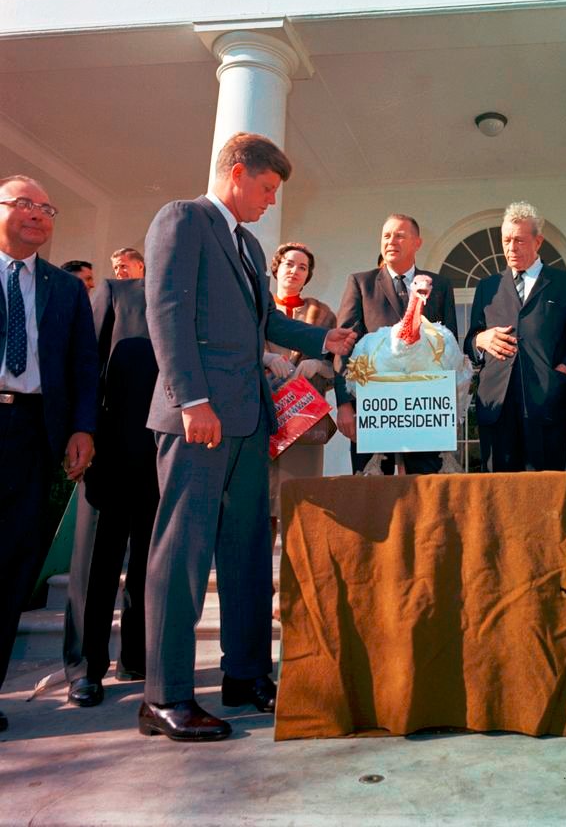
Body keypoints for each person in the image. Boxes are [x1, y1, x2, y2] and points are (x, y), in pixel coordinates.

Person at [140, 133, 356, 742]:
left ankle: (245, 674)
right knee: (181, 552)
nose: (268, 202)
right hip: (199, 419)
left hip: (246, 420)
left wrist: (324, 341)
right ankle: (164, 696)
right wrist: (193, 400)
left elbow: (263, 320)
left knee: (246, 554)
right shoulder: (183, 219)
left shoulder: (246, 243)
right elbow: (167, 311)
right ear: (237, 173)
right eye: (265, 189)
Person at [0, 176, 98, 734]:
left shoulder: (63, 289)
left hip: (36, 433)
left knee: (14, 567)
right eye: (24, 204)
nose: (38, 214)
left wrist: (83, 428)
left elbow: (84, 364)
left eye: (47, 208)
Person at [63, 275, 159, 706]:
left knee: (148, 566)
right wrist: (81, 433)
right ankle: (86, 667)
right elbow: (86, 367)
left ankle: (135, 657)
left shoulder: (195, 303)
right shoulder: (117, 293)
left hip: (165, 459)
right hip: (108, 456)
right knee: (96, 565)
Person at [465, 201, 566, 472]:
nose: (511, 247)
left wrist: (562, 373)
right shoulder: (487, 287)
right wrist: (480, 341)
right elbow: (470, 341)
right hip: (496, 404)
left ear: (538, 241)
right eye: (506, 240)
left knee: (545, 492)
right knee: (498, 494)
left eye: (519, 240)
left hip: (546, 403)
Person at [335, 214, 457, 475]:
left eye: (400, 235)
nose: (391, 241)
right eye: (386, 236)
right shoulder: (361, 283)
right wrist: (344, 403)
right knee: (372, 492)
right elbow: (343, 346)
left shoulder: (440, 286)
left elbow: (450, 348)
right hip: (374, 409)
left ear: (417, 243)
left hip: (425, 411)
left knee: (427, 487)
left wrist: (451, 406)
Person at [265, 242, 337, 538]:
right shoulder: (257, 307)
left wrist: (319, 367)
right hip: (264, 419)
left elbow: (338, 366)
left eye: (302, 267)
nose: (295, 271)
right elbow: (238, 350)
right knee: (260, 509)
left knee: (302, 507)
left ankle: (300, 583)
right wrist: (265, 358)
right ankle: (258, 585)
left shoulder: (322, 314)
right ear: (277, 268)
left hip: (302, 422)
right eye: (289, 264)